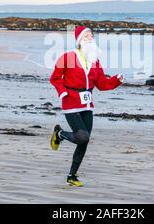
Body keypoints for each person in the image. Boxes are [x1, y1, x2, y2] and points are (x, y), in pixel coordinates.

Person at [49, 26, 124, 187]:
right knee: (82, 137)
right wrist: (62, 93)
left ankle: (72, 175)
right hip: (71, 101)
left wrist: (116, 80)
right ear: (79, 40)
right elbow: (55, 78)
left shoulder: (95, 60)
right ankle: (60, 133)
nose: (90, 37)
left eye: (91, 35)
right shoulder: (68, 57)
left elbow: (102, 83)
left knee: (84, 141)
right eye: (86, 35)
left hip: (87, 103)